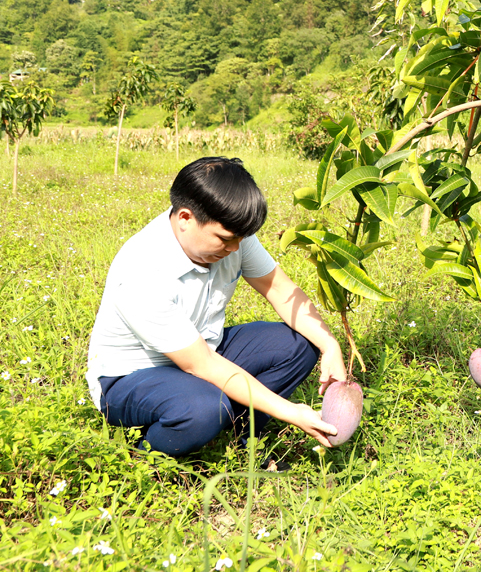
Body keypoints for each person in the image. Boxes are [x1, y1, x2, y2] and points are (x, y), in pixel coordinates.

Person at [86, 156, 346, 455]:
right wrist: (290, 412)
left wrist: (330, 346)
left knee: (299, 344)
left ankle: (242, 437)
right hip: (132, 377)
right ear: (185, 218)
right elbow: (200, 364)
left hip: (206, 348)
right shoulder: (141, 270)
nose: (235, 248)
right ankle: (146, 456)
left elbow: (278, 288)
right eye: (225, 239)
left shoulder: (232, 237)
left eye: (240, 239)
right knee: (204, 408)